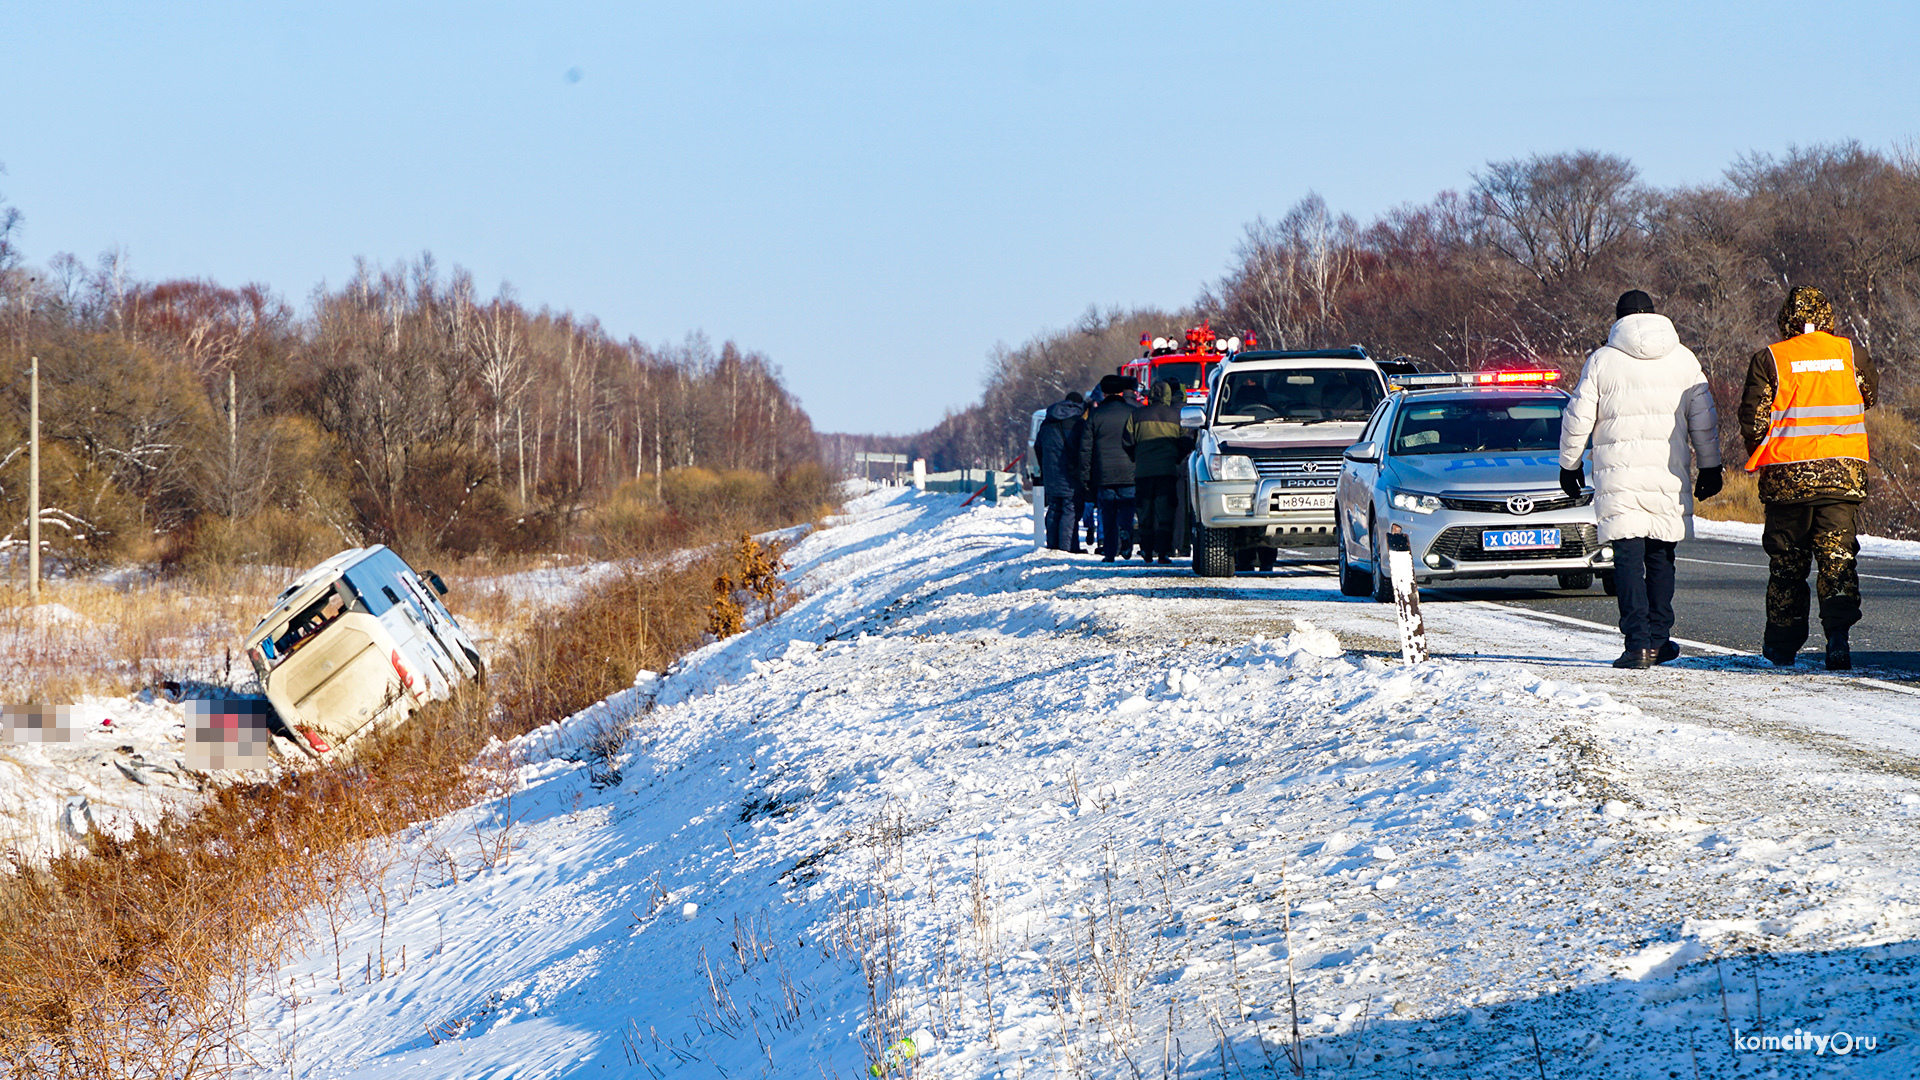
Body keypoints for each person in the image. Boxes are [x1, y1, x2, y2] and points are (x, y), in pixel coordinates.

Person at [1559, 290, 1722, 669]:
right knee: (1662, 555)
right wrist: (1710, 466)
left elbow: (1578, 416)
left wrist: (1569, 464)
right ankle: (1659, 640)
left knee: (1628, 558)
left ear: (1618, 319)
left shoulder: (1602, 360)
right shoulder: (1684, 360)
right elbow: (1704, 418)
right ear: (1655, 315)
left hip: (1619, 477)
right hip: (1668, 472)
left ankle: (1637, 646)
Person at [1739, 286, 1878, 670]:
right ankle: (1838, 638)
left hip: (1788, 483)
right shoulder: (1851, 353)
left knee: (1787, 565)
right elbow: (1868, 396)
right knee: (1837, 559)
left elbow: (1753, 419)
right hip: (1841, 479)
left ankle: (1782, 648)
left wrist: (1760, 451)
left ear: (1787, 318)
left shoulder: (1771, 358)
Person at [1124, 380, 1194, 565]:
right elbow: (1187, 441)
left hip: (1143, 472)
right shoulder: (1176, 416)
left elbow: (1127, 441)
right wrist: (1175, 458)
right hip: (1167, 471)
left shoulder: (1137, 415)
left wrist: (1137, 457)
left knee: (1145, 512)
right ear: (1169, 395)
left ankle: (1146, 551)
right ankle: (1162, 552)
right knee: (1165, 513)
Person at [1079, 374, 1139, 562]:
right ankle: (1126, 533)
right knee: (1127, 507)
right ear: (1122, 391)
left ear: (1103, 393)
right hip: (1129, 470)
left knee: (1108, 513)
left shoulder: (1095, 416)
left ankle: (1110, 552)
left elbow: (1086, 448)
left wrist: (1085, 475)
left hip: (1103, 472)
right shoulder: (1132, 412)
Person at [1032, 391, 1086, 551]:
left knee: (1054, 507)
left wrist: (1045, 467)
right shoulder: (1079, 424)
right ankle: (1067, 548)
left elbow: (1038, 447)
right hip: (1070, 473)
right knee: (1070, 509)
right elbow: (1084, 449)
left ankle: (1053, 546)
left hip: (1050, 473)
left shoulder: (1047, 422)